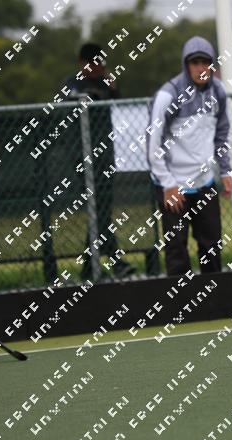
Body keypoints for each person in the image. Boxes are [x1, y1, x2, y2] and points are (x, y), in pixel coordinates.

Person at [148, 37, 232, 276]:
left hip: (205, 182)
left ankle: (212, 295)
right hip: (174, 185)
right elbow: (153, 145)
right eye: (195, 63)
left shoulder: (218, 91)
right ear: (186, 65)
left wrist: (225, 169)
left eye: (206, 62)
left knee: (212, 246)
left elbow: (221, 134)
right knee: (176, 250)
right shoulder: (168, 95)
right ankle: (180, 298)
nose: (201, 68)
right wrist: (168, 185)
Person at [65, 43, 135, 280]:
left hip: (105, 156)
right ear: (82, 63)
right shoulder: (73, 83)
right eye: (93, 64)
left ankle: (89, 269)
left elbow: (118, 105)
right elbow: (69, 101)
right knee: (99, 211)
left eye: (100, 64)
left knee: (101, 212)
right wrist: (88, 96)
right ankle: (116, 262)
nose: (98, 69)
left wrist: (113, 89)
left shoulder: (105, 83)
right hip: (83, 157)